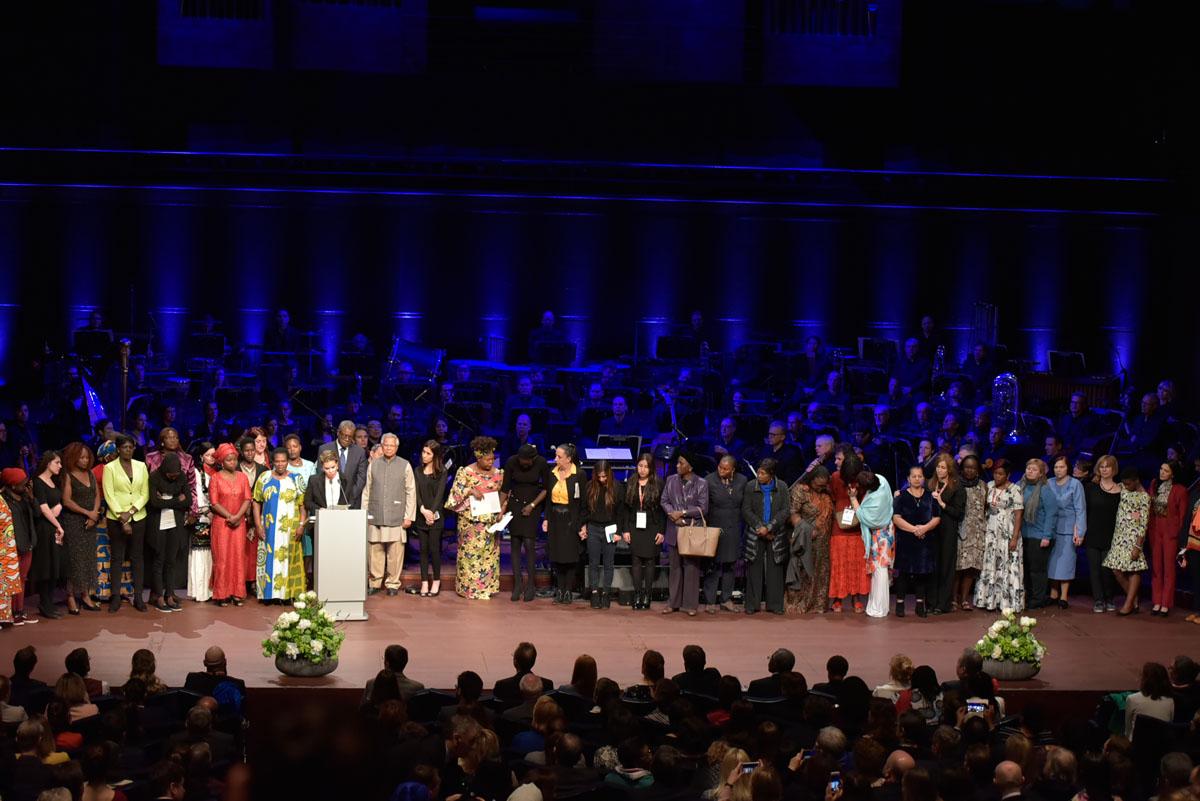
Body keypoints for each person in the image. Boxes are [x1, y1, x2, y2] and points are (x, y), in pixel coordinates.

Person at [445, 436, 504, 600]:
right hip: (471, 523)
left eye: (493, 458)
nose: (491, 462)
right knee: (470, 557)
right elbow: (454, 498)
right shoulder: (466, 472)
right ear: (478, 457)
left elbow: (505, 495)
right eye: (487, 459)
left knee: (489, 557)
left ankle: (486, 588)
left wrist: (502, 510)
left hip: (491, 523)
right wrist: (470, 491)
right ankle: (469, 589)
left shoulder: (499, 474)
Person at [362, 434, 416, 597]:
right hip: (375, 513)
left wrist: (409, 516)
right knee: (375, 551)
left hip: (396, 515)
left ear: (396, 447)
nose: (388, 448)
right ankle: (375, 582)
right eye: (386, 445)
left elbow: (411, 491)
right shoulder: (373, 465)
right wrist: (364, 513)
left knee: (395, 553)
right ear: (381, 446)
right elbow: (367, 490)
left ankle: (393, 583)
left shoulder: (405, 465)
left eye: (391, 446)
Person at [252, 448, 308, 602]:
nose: (281, 464)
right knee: (270, 559)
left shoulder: (297, 479)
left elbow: (303, 506)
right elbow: (256, 502)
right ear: (273, 462)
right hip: (269, 529)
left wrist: (301, 525)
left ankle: (287, 595)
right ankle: (269, 595)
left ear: (287, 461)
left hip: (290, 530)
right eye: (277, 461)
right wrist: (258, 524)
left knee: (288, 561)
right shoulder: (264, 478)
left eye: (284, 461)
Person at [102, 435, 149, 613]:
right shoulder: (110, 468)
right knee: (117, 558)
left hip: (138, 516)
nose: (128, 450)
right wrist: (122, 517)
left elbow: (145, 493)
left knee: (137, 558)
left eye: (130, 447)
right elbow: (109, 494)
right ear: (118, 449)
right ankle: (115, 596)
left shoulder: (141, 466)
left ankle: (138, 597)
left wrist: (130, 513)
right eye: (124, 447)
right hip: (116, 518)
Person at [661, 450, 710, 616]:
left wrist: (682, 513)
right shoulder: (670, 480)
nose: (677, 465)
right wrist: (673, 516)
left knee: (691, 568)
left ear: (690, 467)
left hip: (691, 530)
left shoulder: (701, 483)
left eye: (681, 463)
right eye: (677, 462)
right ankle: (672, 603)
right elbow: (664, 501)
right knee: (674, 568)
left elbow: (703, 508)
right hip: (674, 529)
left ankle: (690, 605)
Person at [974, 459, 1024, 612]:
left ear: (1008, 475)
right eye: (995, 473)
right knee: (989, 563)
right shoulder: (988, 486)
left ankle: (1008, 602)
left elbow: (1018, 515)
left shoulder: (1015, 489)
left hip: (1007, 532)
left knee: (1008, 564)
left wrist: (1014, 537)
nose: (997, 476)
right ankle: (988, 600)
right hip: (991, 530)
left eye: (1001, 474)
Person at [742, 459, 791, 616]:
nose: (759, 475)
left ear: (771, 475)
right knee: (754, 567)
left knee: (775, 568)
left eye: (763, 473)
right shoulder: (751, 486)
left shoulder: (782, 486)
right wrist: (760, 527)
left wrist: (770, 528)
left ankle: (775, 604)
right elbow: (746, 510)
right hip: (756, 532)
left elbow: (785, 510)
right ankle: (752, 604)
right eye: (759, 472)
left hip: (775, 532)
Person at [892, 464, 941, 617]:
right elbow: (896, 518)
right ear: (908, 478)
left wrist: (924, 528)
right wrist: (915, 530)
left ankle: (920, 605)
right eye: (914, 476)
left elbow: (937, 518)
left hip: (925, 541)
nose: (917, 479)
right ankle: (900, 604)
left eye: (920, 476)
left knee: (922, 573)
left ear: (923, 478)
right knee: (904, 573)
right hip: (906, 540)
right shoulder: (901, 496)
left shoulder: (930, 496)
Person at [59, 442, 102, 613]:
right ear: (73, 458)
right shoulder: (68, 475)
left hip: (90, 522)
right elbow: (66, 501)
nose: (85, 461)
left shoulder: (90, 474)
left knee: (88, 559)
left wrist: (94, 513)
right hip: (73, 522)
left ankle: (85, 595)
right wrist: (87, 513)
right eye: (81, 457)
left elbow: (97, 496)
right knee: (74, 560)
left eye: (87, 457)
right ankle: (70, 596)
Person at [501, 443, 547, 603]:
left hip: (532, 505)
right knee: (515, 542)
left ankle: (531, 586)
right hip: (515, 504)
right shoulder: (511, 462)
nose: (522, 463)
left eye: (526, 460)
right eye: (521, 459)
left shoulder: (541, 462)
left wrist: (533, 505)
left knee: (528, 542)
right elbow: (505, 487)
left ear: (532, 459)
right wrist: (501, 510)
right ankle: (518, 585)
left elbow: (546, 489)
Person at [207, 443, 251, 607]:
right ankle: (222, 594)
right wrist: (230, 516)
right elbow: (214, 502)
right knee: (222, 558)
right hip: (222, 523)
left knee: (238, 557)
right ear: (221, 462)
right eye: (229, 460)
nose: (233, 462)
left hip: (239, 524)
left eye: (234, 459)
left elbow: (247, 499)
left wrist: (238, 516)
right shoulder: (215, 478)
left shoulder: (242, 477)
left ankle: (238, 593)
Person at [147, 452, 191, 613]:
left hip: (175, 523)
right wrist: (175, 499)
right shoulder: (154, 477)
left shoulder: (181, 477)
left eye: (175, 475)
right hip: (158, 522)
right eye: (170, 475)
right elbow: (154, 502)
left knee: (171, 560)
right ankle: (158, 596)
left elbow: (188, 500)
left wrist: (165, 500)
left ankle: (169, 594)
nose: (173, 478)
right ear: (164, 470)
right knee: (159, 559)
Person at [786, 465, 833, 614]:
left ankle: (818, 605)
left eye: (823, 485)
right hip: (805, 538)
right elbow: (793, 514)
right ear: (811, 480)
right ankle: (799, 603)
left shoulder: (826, 493)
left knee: (821, 571)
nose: (820, 488)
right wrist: (806, 530)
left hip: (823, 541)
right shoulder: (801, 491)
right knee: (803, 571)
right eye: (818, 485)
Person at [703, 455, 746, 614]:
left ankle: (726, 599)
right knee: (713, 565)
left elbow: (744, 504)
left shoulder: (742, 481)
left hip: (734, 527)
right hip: (715, 528)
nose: (721, 470)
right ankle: (710, 600)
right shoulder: (709, 480)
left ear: (733, 469)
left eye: (725, 468)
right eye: (720, 467)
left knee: (730, 564)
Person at [1104, 468, 1150, 616]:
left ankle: (1128, 604)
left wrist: (1138, 545)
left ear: (1136, 481)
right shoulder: (1123, 488)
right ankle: (1133, 599)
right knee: (1116, 570)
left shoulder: (1144, 497)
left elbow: (1143, 524)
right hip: (1119, 537)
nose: (1126, 486)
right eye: (1125, 483)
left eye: (1129, 483)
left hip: (1133, 539)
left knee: (1133, 570)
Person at [543, 443, 585, 605]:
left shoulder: (578, 474)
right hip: (555, 518)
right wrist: (546, 518)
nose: (556, 459)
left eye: (559, 457)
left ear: (569, 458)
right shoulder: (552, 473)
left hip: (571, 519)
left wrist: (581, 523)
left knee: (570, 556)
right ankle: (559, 589)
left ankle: (568, 590)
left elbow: (582, 502)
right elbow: (548, 500)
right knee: (557, 555)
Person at [622, 452, 665, 610]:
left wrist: (662, 531)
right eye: (640, 466)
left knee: (650, 561)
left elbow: (662, 511)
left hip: (652, 525)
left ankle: (647, 595)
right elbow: (626, 509)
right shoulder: (631, 481)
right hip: (635, 525)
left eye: (646, 466)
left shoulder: (658, 483)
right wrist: (625, 529)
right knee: (636, 561)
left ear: (651, 468)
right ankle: (637, 594)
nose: (642, 469)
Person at [829, 452, 870, 613]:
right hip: (839, 526)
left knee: (856, 563)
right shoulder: (835, 477)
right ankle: (837, 599)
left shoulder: (863, 479)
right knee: (839, 563)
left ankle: (856, 598)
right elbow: (831, 496)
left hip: (858, 525)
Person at [1147, 461, 1188, 617]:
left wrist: (1179, 536)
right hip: (1156, 528)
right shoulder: (1154, 484)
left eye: (1166, 470)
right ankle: (1156, 601)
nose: (1161, 472)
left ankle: (1166, 603)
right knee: (1156, 567)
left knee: (1169, 568)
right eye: (1161, 469)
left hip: (1170, 530)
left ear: (1173, 473)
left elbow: (1183, 515)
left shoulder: (1180, 490)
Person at [854, 468, 896, 619]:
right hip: (887, 531)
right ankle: (878, 605)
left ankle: (879, 608)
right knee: (879, 570)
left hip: (881, 534)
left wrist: (853, 499)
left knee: (880, 570)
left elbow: (864, 518)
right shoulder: (882, 480)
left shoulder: (876, 503)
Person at [582, 460, 623, 609]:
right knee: (593, 562)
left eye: (604, 476)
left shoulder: (617, 487)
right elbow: (584, 509)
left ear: (609, 474)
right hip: (593, 527)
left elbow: (620, 512)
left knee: (608, 563)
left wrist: (619, 532)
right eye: (599, 476)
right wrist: (583, 526)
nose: (602, 479)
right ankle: (594, 592)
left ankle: (606, 593)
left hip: (610, 528)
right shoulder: (589, 487)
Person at [1019, 459, 1059, 610]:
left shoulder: (1045, 490)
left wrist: (1046, 537)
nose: (1030, 471)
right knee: (1027, 569)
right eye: (1028, 468)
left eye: (1034, 469)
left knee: (1037, 570)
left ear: (1041, 473)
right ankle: (1028, 596)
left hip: (1040, 536)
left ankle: (1038, 598)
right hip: (1024, 535)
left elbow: (1051, 514)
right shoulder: (1019, 486)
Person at [410, 441, 448, 599]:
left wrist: (431, 513)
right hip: (421, 516)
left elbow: (440, 495)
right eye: (423, 452)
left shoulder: (442, 472)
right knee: (423, 550)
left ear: (435, 456)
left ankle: (436, 581)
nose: (424, 455)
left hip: (435, 518)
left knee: (434, 550)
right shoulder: (417, 470)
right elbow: (416, 494)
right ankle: (424, 581)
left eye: (428, 453)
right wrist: (423, 510)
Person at [1048, 454, 1086, 610]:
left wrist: (1081, 532)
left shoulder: (1075, 484)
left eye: (1062, 467)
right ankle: (1053, 593)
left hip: (1069, 529)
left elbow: (1080, 509)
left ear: (1068, 468)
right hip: (1051, 528)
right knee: (1052, 562)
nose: (1058, 470)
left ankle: (1064, 596)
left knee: (1066, 563)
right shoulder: (1049, 483)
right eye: (1056, 467)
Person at [31, 451, 66, 619]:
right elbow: (44, 508)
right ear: (48, 463)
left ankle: (49, 602)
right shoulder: (38, 482)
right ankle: (44, 604)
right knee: (46, 566)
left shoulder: (54, 481)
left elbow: (56, 503)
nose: (60, 466)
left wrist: (58, 509)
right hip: (46, 528)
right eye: (57, 462)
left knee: (55, 566)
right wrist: (58, 524)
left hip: (54, 527)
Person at [929, 454, 965, 615]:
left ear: (949, 469)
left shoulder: (957, 486)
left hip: (948, 529)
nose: (939, 469)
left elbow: (959, 513)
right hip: (932, 530)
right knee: (933, 567)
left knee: (946, 566)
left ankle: (943, 604)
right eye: (938, 466)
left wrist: (942, 503)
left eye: (943, 467)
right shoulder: (931, 484)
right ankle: (931, 602)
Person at [1085, 455, 1122, 613]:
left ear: (1113, 469)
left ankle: (1109, 598)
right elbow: (1083, 512)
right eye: (1102, 466)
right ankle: (1098, 600)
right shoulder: (1091, 488)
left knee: (1107, 570)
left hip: (1112, 535)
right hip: (1093, 533)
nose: (1104, 469)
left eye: (1107, 466)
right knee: (1095, 570)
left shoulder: (1122, 490)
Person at [2, 469, 36, 625]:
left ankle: (19, 611)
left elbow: (37, 514)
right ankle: (10, 613)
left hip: (27, 542)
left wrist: (31, 498)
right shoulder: (4, 500)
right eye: (22, 483)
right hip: (12, 546)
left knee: (22, 579)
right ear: (12, 485)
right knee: (11, 580)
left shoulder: (24, 498)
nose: (26, 485)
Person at [323, 420, 368, 509]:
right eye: (344, 435)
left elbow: (361, 478)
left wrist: (350, 497)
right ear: (338, 433)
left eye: (350, 437)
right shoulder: (324, 449)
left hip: (352, 502)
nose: (347, 439)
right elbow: (321, 476)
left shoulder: (359, 452)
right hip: (329, 500)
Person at [1125, 662, 1174, 740]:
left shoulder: (1132, 699)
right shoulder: (1170, 701)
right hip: (1162, 746)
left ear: (1144, 679)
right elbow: (1169, 725)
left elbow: (1127, 730)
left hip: (1137, 746)